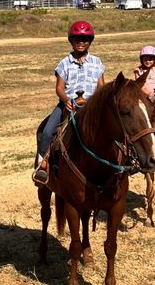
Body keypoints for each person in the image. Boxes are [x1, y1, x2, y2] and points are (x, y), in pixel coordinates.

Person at [33, 20, 105, 184]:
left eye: (85, 39)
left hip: (91, 106)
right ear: (71, 41)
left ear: (90, 42)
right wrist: (66, 100)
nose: (81, 43)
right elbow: (59, 88)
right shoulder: (64, 63)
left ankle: (124, 162)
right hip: (69, 104)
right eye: (77, 39)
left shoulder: (97, 62)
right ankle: (42, 166)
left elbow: (101, 86)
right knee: (47, 132)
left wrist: (96, 102)